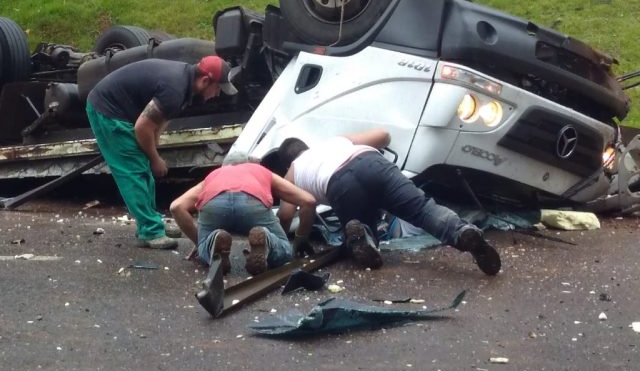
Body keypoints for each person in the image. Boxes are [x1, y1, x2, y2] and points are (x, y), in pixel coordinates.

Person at [275, 129, 501, 275]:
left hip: (340, 184)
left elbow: (285, 215)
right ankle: (462, 232)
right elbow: (383, 135)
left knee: (358, 228)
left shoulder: (293, 172)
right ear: (306, 145)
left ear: (287, 163)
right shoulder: (335, 140)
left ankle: (363, 238)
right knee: (422, 210)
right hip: (372, 162)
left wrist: (296, 239)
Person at [86, 56, 238, 249]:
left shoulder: (186, 85)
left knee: (142, 168)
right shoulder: (174, 90)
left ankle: (151, 222)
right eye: (217, 88)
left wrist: (153, 151)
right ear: (205, 80)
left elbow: (158, 122)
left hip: (123, 110)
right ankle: (150, 231)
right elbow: (142, 128)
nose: (217, 94)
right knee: (134, 171)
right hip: (108, 111)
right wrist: (155, 158)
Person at [169, 162, 317, 275]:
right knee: (284, 250)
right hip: (251, 202)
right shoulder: (260, 170)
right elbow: (308, 201)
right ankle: (267, 240)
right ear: (250, 162)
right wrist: (300, 241)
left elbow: (176, 207)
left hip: (215, 202)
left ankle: (213, 242)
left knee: (207, 245)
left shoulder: (214, 175)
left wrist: (201, 241)